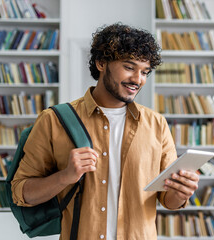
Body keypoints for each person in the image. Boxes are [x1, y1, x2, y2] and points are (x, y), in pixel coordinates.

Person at [11, 23, 199, 240]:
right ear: (101, 63)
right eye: (129, 67)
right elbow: (21, 193)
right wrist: (65, 177)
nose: (138, 80)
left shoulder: (157, 125)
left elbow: (169, 201)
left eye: (144, 72)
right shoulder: (53, 121)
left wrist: (181, 191)